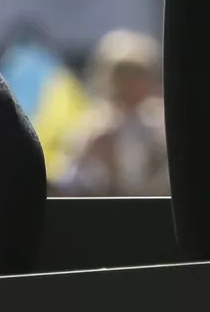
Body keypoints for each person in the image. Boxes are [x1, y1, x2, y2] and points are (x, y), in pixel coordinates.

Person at [54, 29, 168, 196]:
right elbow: (70, 178)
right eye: (126, 75)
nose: (135, 84)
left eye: (140, 75)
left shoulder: (157, 122)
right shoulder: (95, 126)